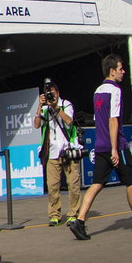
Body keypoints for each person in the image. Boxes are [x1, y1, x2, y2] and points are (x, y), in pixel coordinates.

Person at [67, 54, 132, 239]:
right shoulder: (115, 91)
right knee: (131, 182)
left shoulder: (97, 91)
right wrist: (116, 148)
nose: (123, 72)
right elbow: (113, 120)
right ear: (112, 71)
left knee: (96, 184)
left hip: (100, 145)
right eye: (120, 68)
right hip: (116, 145)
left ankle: (80, 221)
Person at [33, 77, 83, 226]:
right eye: (47, 93)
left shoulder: (65, 104)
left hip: (68, 150)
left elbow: (69, 121)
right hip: (52, 152)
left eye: (52, 93)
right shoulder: (45, 108)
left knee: (73, 184)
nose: (50, 96)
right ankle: (54, 214)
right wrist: (39, 106)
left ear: (57, 93)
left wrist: (56, 107)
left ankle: (74, 213)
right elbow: (36, 125)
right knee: (53, 185)